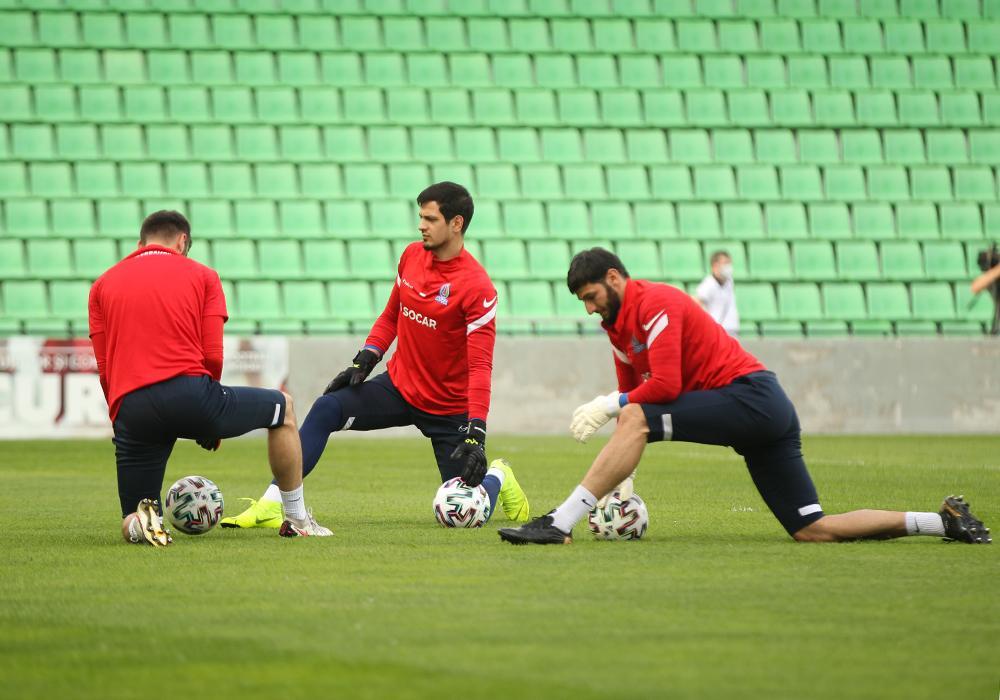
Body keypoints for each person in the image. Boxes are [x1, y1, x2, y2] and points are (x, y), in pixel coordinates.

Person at [498, 248, 991, 545]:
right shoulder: (617, 325)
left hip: (753, 399)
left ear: (613, 279)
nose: (588, 309)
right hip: (757, 417)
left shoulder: (657, 304)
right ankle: (941, 522)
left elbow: (662, 390)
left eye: (590, 297)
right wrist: (621, 461)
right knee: (813, 529)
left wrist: (610, 405)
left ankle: (559, 522)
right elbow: (635, 395)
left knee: (636, 415)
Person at [221, 182, 530, 529]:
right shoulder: (411, 256)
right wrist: (367, 356)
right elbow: (391, 315)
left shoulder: (477, 287)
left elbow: (480, 366)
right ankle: (274, 502)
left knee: (464, 515)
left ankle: (499, 476)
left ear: (456, 223)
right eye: (420, 217)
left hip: (448, 410)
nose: (421, 226)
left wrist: (476, 431)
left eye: (430, 219)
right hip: (398, 387)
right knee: (327, 408)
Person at [89, 210, 331, 547]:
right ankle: (297, 519)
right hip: (190, 394)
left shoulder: (102, 284)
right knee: (283, 408)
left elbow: (105, 368)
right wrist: (209, 416)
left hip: (132, 405)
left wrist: (122, 418)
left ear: (141, 243)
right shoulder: (203, 275)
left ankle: (144, 524)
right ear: (182, 241)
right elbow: (213, 354)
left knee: (135, 512)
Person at [695, 249, 739, 336]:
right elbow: (698, 302)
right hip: (717, 331)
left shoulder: (729, 281)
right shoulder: (708, 284)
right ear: (715, 266)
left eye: (729, 263)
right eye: (725, 263)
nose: (728, 267)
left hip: (732, 329)